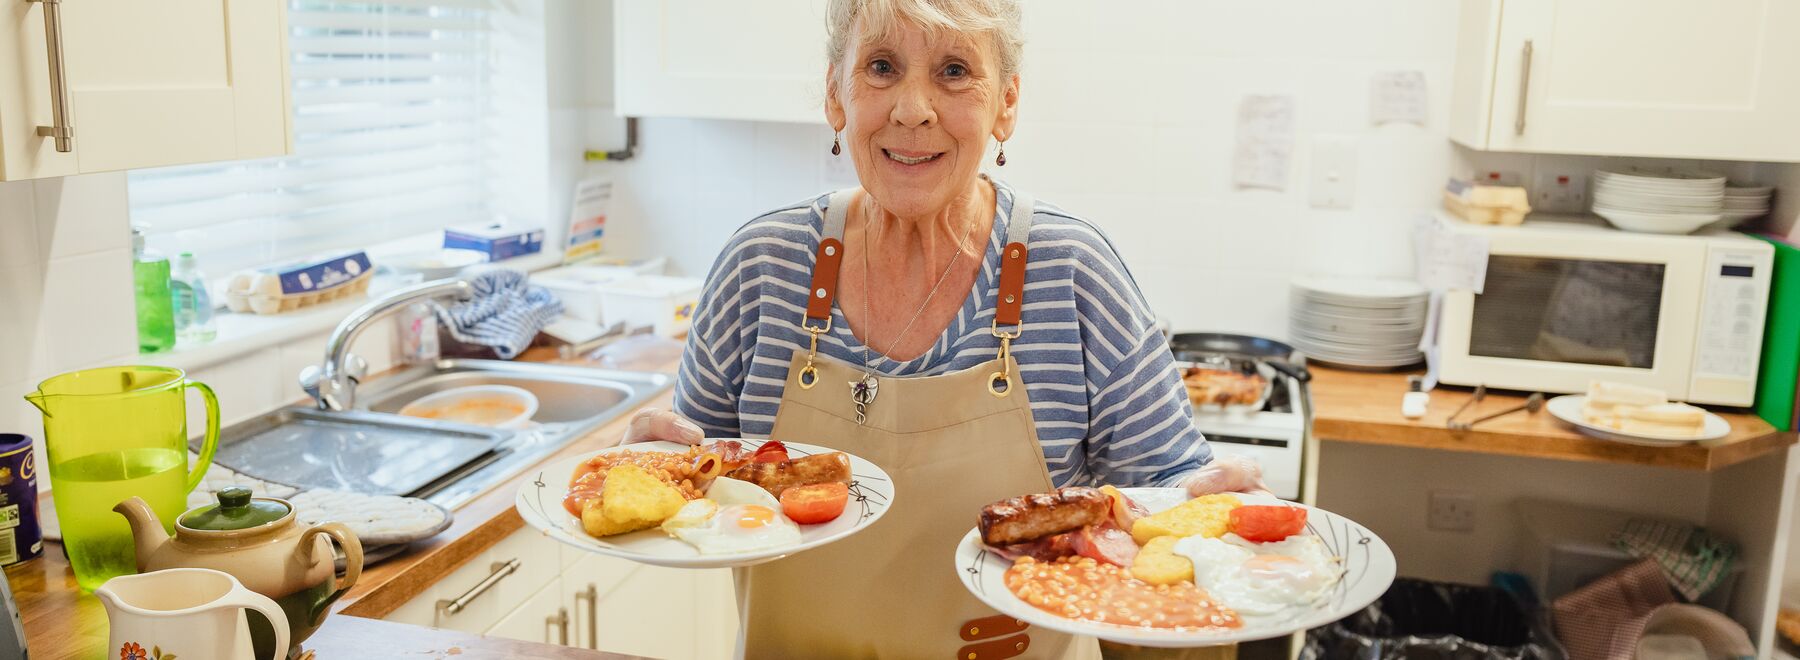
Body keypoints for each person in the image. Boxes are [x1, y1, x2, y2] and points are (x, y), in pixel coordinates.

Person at [624, 0, 1268, 656]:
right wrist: (641, 471)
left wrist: (1202, 497)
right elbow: (693, 485)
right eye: (881, 66)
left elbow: (1164, 505)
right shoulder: (761, 267)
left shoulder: (1072, 274)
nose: (912, 109)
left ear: (1007, 104)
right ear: (835, 94)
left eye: (954, 71)